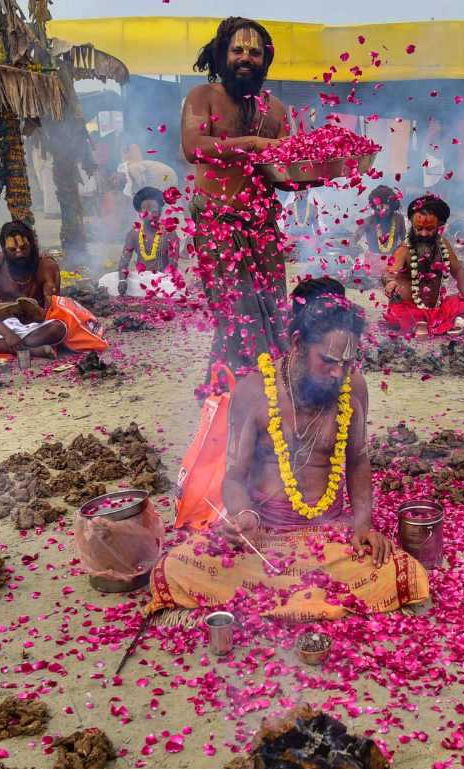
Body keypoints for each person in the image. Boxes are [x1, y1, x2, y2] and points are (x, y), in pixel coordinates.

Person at [146, 278, 430, 620]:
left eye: (347, 362)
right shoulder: (254, 391)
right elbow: (234, 475)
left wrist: (362, 525)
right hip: (264, 536)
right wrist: (243, 515)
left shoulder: (352, 386)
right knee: (173, 569)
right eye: (328, 360)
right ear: (297, 343)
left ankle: (281, 603)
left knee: (407, 575)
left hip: (329, 534)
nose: (338, 372)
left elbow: (357, 460)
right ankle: (311, 604)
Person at [180, 16, 293, 389]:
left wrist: (309, 173)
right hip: (216, 221)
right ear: (222, 54)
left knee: (272, 307)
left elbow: (284, 173)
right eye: (238, 50)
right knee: (236, 310)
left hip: (261, 225)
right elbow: (194, 148)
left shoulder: (276, 109)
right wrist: (253, 144)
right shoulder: (203, 97)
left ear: (266, 59)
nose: (246, 57)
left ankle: (262, 390)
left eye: (255, 52)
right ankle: (235, 390)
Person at [0, 220, 108, 358]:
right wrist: (8, 333)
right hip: (5, 327)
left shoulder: (47, 266)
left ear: (32, 244)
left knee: (58, 328)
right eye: (13, 250)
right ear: (4, 249)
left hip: (36, 328)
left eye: (24, 247)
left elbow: (53, 311)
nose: (19, 253)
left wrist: (33, 311)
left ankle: (1, 346)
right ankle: (30, 350)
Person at [383, 194, 464, 336]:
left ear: (439, 226)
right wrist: (389, 282)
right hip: (409, 309)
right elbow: (388, 272)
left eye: (429, 229)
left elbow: (458, 270)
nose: (423, 233)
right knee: (401, 317)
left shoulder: (443, 244)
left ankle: (438, 320)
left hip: (437, 307)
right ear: (412, 225)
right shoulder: (405, 248)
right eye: (418, 228)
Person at [103, 187, 183, 298]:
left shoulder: (169, 233)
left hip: (163, 280)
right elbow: (124, 261)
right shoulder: (133, 234)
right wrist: (122, 281)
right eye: (145, 210)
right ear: (140, 213)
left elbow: (172, 265)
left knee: (173, 288)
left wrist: (163, 281)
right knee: (108, 280)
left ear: (160, 212)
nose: (149, 214)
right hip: (140, 280)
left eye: (154, 210)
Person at [359, 185, 405, 266]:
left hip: (394, 263)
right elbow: (353, 240)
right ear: (374, 206)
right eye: (379, 208)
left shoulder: (399, 219)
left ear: (392, 205)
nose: (382, 210)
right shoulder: (368, 221)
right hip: (372, 264)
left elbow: (405, 241)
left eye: (385, 207)